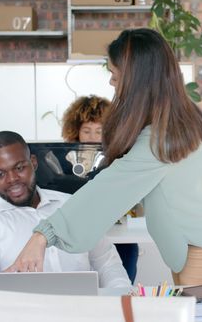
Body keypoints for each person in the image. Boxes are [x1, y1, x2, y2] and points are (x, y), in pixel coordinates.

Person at [7, 28, 202, 286]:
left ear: (137, 80)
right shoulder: (176, 120)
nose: (111, 82)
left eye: (114, 75)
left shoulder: (162, 139)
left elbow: (109, 189)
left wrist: (43, 236)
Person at [0, 131, 130, 288]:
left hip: (81, 311)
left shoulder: (73, 206)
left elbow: (108, 264)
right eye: (0, 174)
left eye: (19, 168)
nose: (12, 179)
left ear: (33, 162)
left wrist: (120, 301)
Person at [61, 95, 140, 284]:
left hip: (118, 236)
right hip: (80, 236)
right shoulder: (64, 160)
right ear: (75, 132)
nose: (92, 137)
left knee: (120, 286)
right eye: (86, 131)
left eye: (99, 131)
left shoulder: (123, 159)